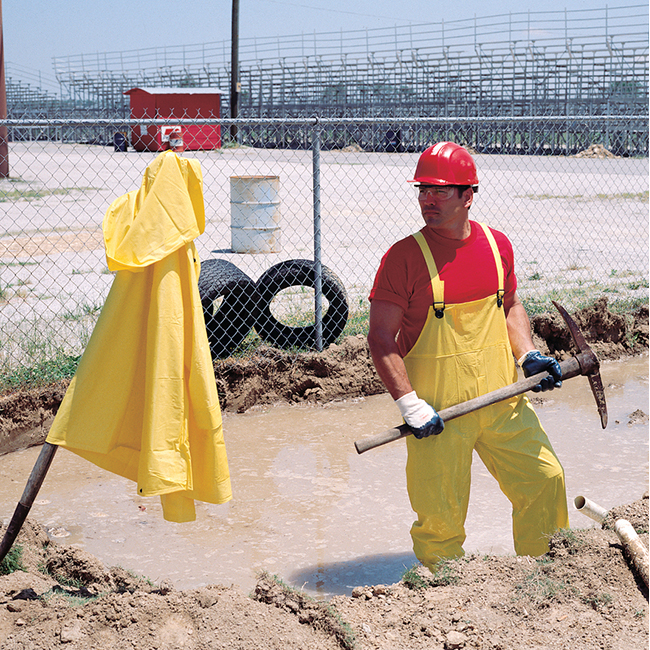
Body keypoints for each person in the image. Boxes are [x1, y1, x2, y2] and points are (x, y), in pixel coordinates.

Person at [367, 141, 569, 571]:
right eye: (422, 189)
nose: (427, 199)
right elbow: (381, 339)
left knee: (545, 480)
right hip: (438, 417)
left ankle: (547, 575)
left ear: (468, 195)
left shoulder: (497, 246)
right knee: (440, 520)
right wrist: (409, 404)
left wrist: (528, 354)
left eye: (439, 191)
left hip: (503, 402)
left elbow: (510, 305)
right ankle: (445, 599)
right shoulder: (403, 258)